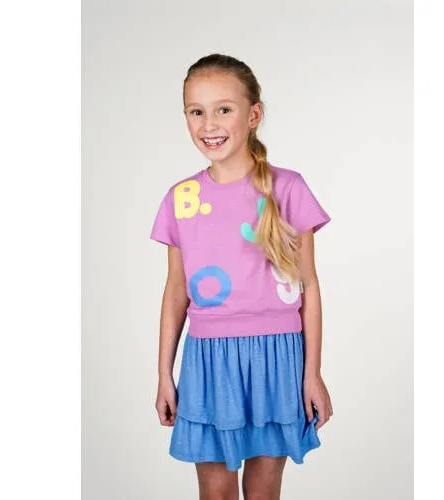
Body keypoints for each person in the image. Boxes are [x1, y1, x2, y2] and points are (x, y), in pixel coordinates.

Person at [150, 53, 334, 499]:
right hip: (209, 362)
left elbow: (309, 287)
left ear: (253, 115)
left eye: (223, 109)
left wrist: (312, 373)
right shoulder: (181, 198)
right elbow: (176, 293)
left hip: (277, 359)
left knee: (263, 491)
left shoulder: (288, 189)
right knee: (215, 492)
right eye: (196, 112)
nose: (209, 124)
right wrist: (164, 374)